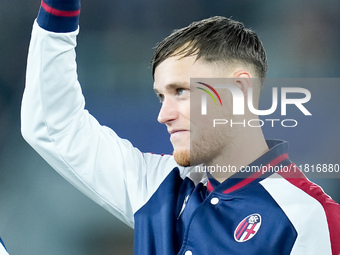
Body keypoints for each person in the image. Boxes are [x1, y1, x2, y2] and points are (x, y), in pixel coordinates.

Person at [21, 0, 340, 254]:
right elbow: (54, 126)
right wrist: (58, 10)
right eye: (161, 96)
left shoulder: (310, 219)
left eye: (181, 92)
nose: (164, 115)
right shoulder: (158, 184)